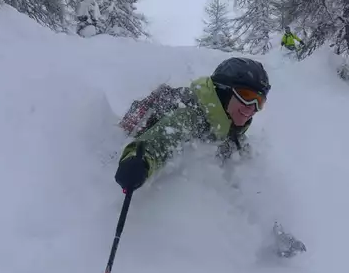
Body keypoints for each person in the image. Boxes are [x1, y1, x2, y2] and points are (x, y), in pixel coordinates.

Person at [114, 57, 271, 194]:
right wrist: (139, 162)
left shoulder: (232, 131)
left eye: (259, 101)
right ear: (224, 90)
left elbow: (247, 167)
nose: (252, 107)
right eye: (247, 96)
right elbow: (160, 141)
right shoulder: (191, 115)